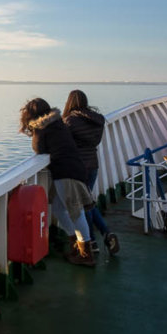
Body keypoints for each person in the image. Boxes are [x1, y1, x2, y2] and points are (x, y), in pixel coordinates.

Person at [20, 97, 96, 267]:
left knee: (76, 212)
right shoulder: (57, 123)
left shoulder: (42, 127)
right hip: (72, 168)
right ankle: (75, 243)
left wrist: (35, 130)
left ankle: (86, 254)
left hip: (65, 171)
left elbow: (38, 149)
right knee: (58, 208)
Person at [63, 90, 120, 256]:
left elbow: (65, 143)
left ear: (70, 102)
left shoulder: (70, 121)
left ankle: (94, 240)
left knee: (84, 204)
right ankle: (103, 236)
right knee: (87, 202)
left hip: (78, 167)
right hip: (93, 165)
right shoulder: (97, 120)